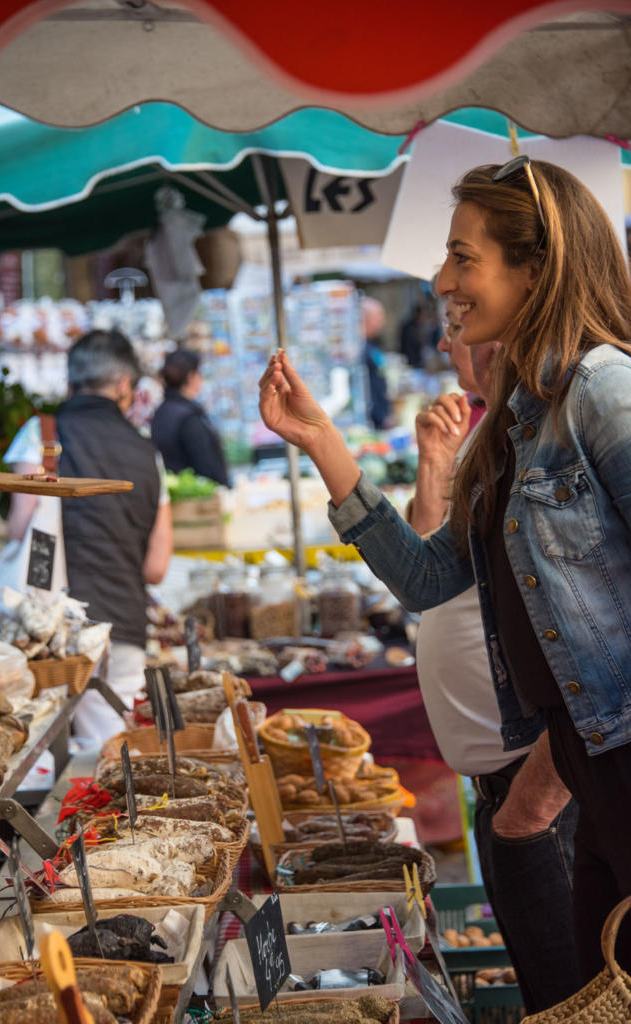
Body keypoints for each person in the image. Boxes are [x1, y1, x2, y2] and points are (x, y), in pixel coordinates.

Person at [259, 157, 631, 987]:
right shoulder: (512, 426)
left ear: (536, 269)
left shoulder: (604, 392)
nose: (443, 279)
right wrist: (323, 442)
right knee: (579, 1003)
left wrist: (544, 782)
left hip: (609, 768)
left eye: (464, 256)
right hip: (585, 772)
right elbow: (429, 579)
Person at [408, 300, 580, 1013]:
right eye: (451, 330)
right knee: (554, 995)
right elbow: (427, 574)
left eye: (464, 323)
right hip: (509, 789)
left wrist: (535, 802)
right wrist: (434, 462)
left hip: (546, 787)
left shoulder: (560, 434)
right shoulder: (490, 437)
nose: (454, 345)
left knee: (581, 996)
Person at [5, 329, 173, 742]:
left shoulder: (42, 434)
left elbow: (20, 528)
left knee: (34, 755)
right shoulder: (147, 452)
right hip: (120, 629)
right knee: (111, 758)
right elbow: (155, 567)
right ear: (123, 385)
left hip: (41, 635)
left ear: (71, 381)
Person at [151, 349, 230, 486]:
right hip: (199, 501)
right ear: (191, 376)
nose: (201, 378)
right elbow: (207, 468)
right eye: (199, 373)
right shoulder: (188, 417)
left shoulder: (161, 412)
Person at [361, 297, 391, 430]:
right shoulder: (359, 348)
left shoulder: (371, 344)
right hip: (373, 418)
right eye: (379, 318)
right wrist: (380, 416)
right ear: (365, 319)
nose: (382, 323)